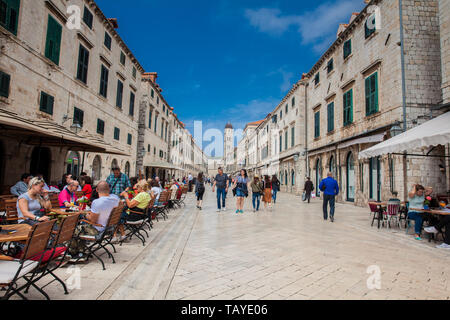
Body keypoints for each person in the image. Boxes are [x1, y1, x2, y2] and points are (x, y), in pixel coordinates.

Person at [69, 181, 120, 261]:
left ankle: (75, 253)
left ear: (96, 190)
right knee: (83, 227)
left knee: (74, 230)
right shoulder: (115, 200)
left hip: (98, 230)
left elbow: (92, 220)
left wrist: (83, 213)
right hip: (109, 229)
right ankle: (81, 250)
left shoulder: (97, 202)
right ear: (108, 189)